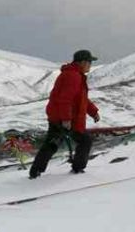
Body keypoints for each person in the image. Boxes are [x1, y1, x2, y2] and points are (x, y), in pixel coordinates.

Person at [29, 50, 101, 179]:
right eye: (89, 62)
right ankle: (77, 169)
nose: (90, 65)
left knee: (52, 143)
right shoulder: (73, 76)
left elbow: (81, 99)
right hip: (65, 118)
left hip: (59, 116)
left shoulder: (73, 74)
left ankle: (35, 171)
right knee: (85, 140)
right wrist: (66, 119)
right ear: (83, 62)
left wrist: (93, 111)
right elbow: (65, 99)